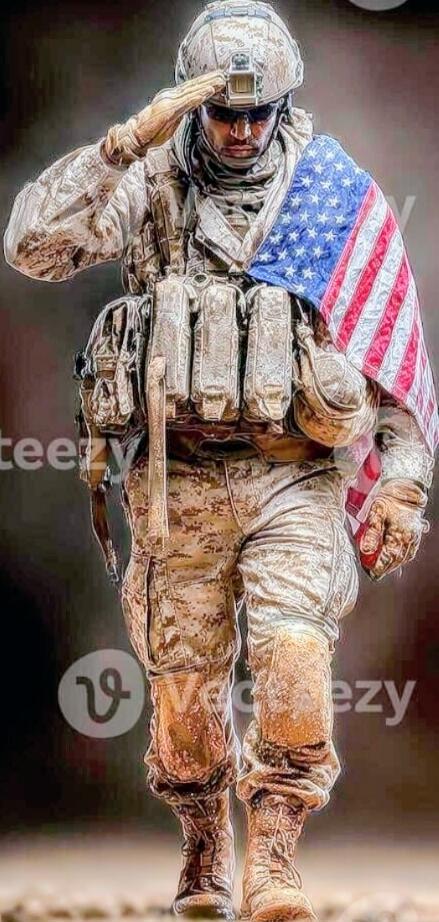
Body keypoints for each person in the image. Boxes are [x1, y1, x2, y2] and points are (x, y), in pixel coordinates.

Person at [4, 2, 437, 920]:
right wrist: (124, 143)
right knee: (184, 689)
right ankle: (203, 841)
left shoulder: (329, 195)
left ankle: (273, 852)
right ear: (192, 103)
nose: (239, 131)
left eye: (256, 113)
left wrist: (400, 482)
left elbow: (389, 359)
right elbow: (31, 245)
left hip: (294, 474)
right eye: (221, 113)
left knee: (292, 653)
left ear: (282, 106)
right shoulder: (151, 184)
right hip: (180, 481)